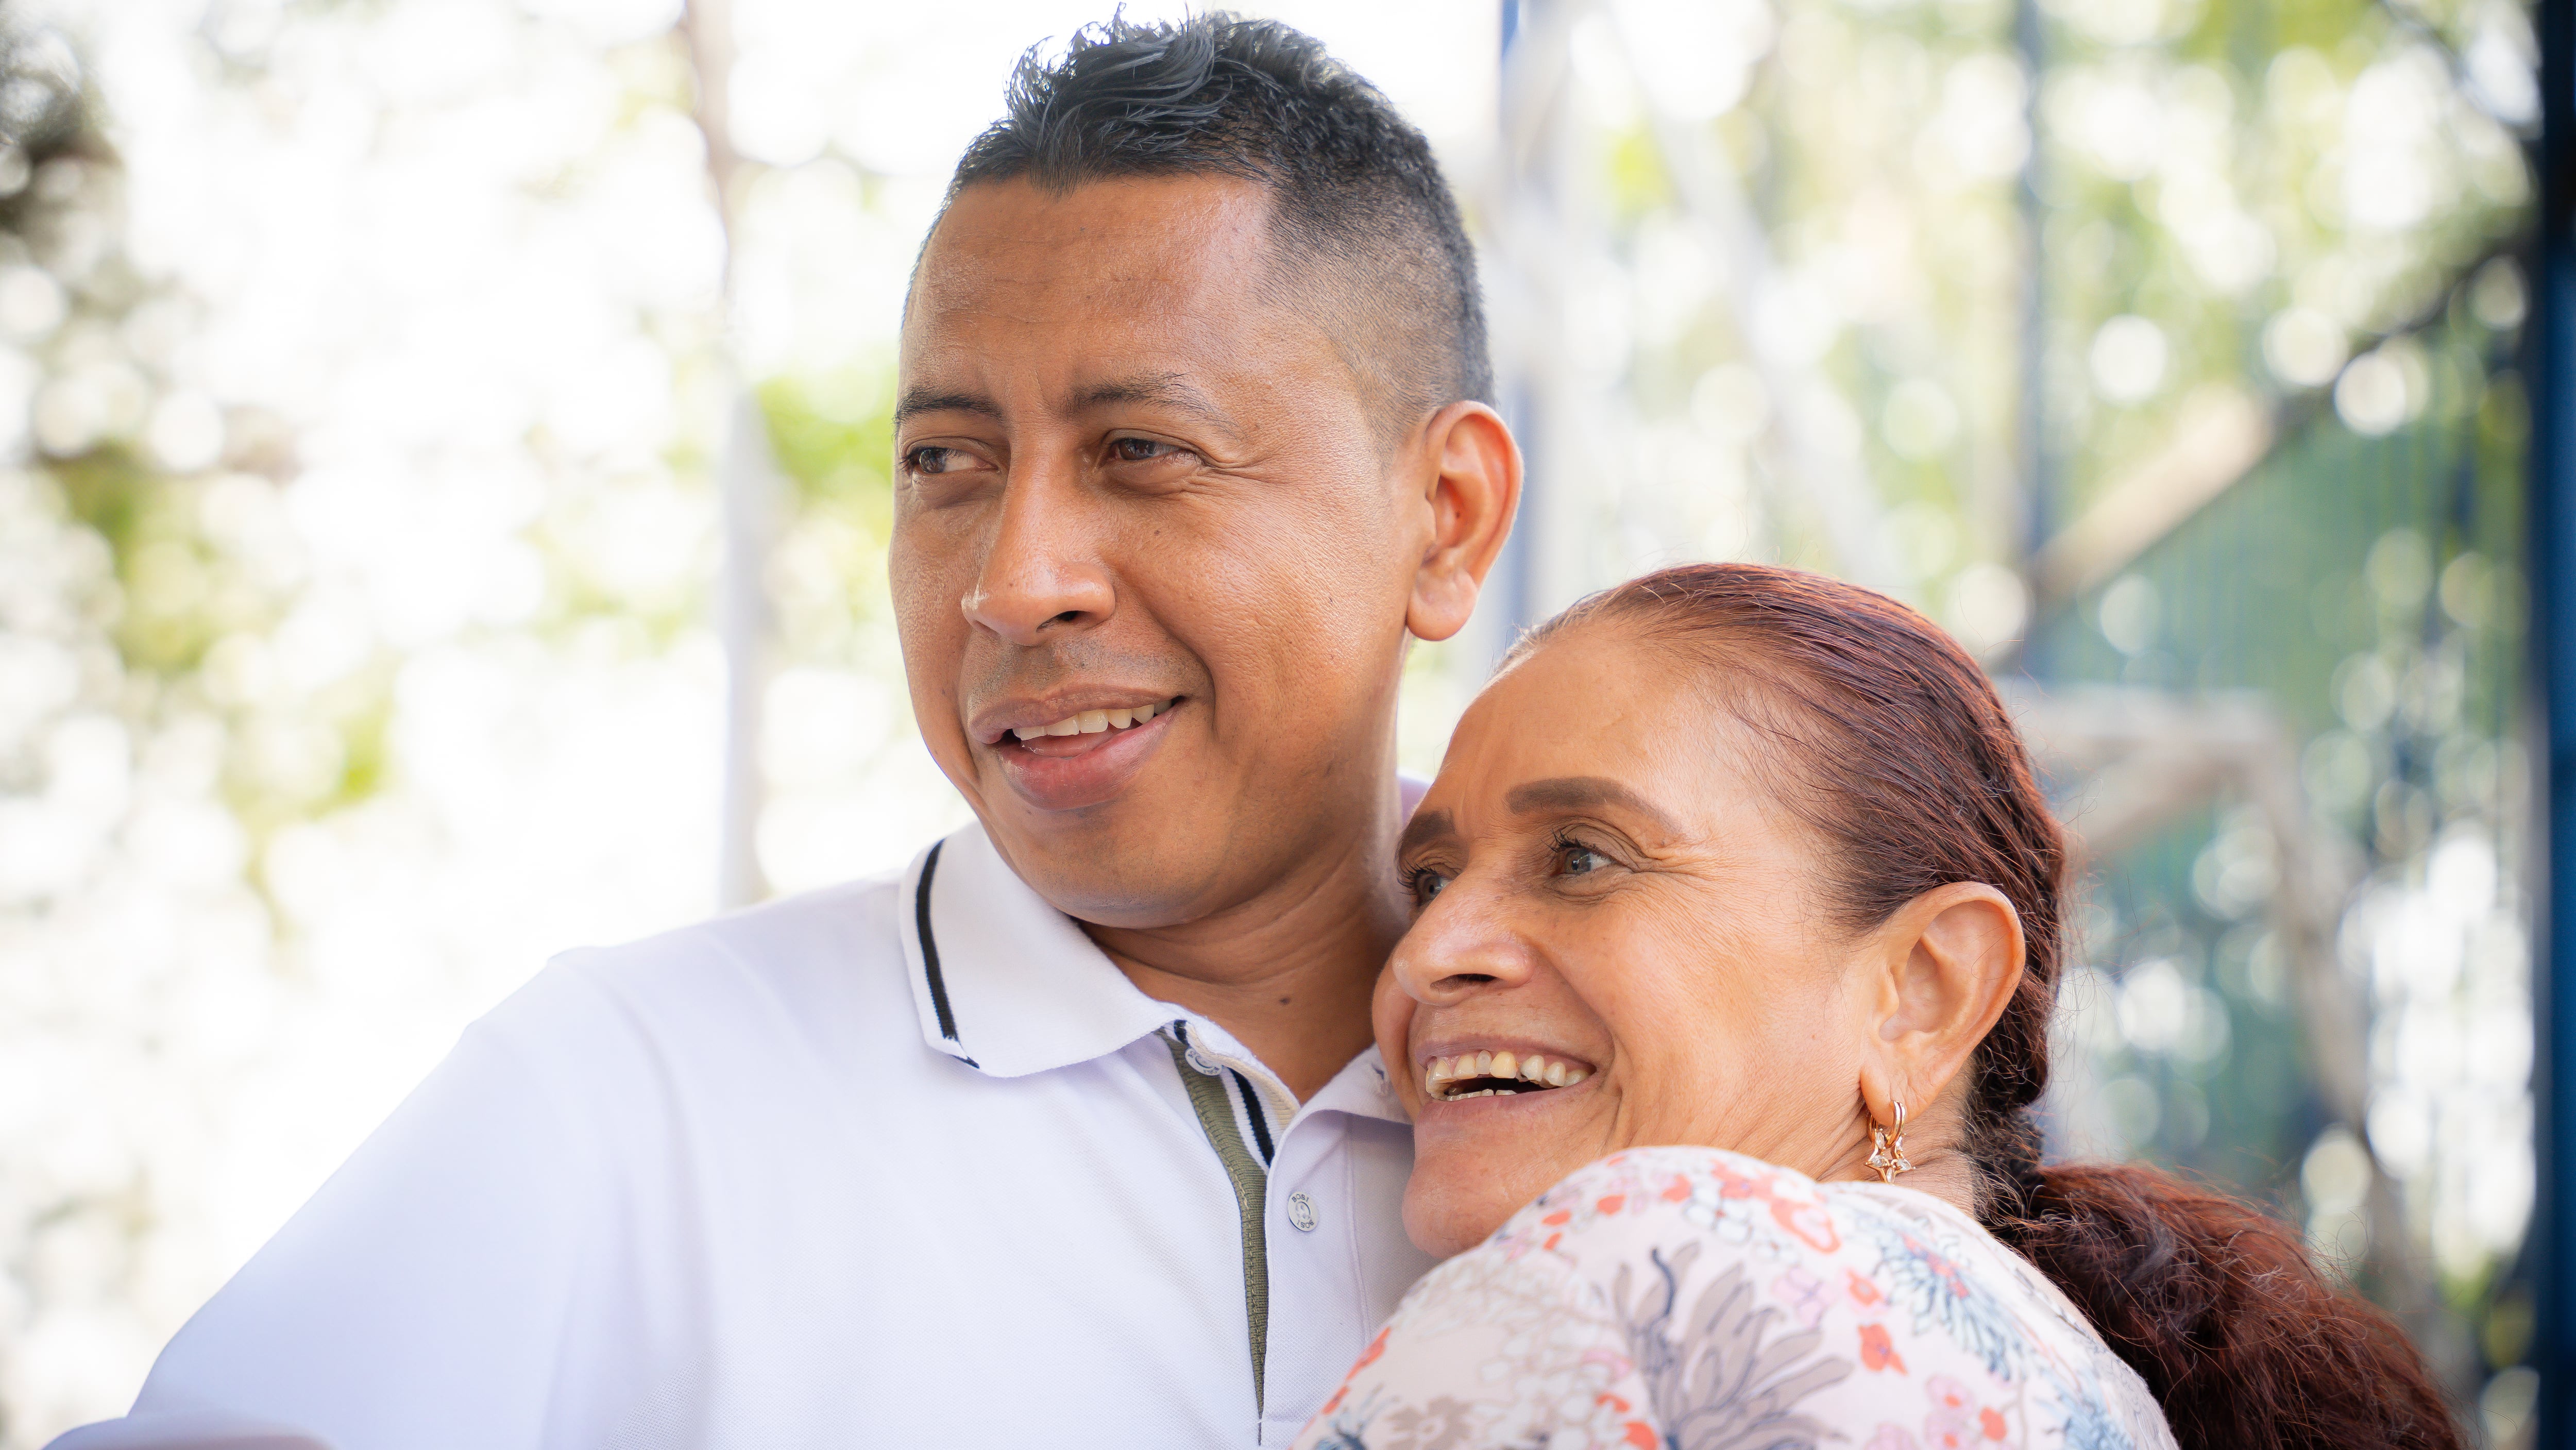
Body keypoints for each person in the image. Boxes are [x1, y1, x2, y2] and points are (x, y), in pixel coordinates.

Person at [54, 15, 1517, 1450]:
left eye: (1142, 450)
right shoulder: (627, 1095)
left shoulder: (1650, 1074)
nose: (1015, 580)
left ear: (1444, 518)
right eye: (946, 460)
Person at [1294, 563, 2463, 1450]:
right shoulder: (2097, 1391)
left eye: (1584, 858)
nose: (1428, 950)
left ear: (1922, 992)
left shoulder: (1631, 1269)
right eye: (1431, 879)